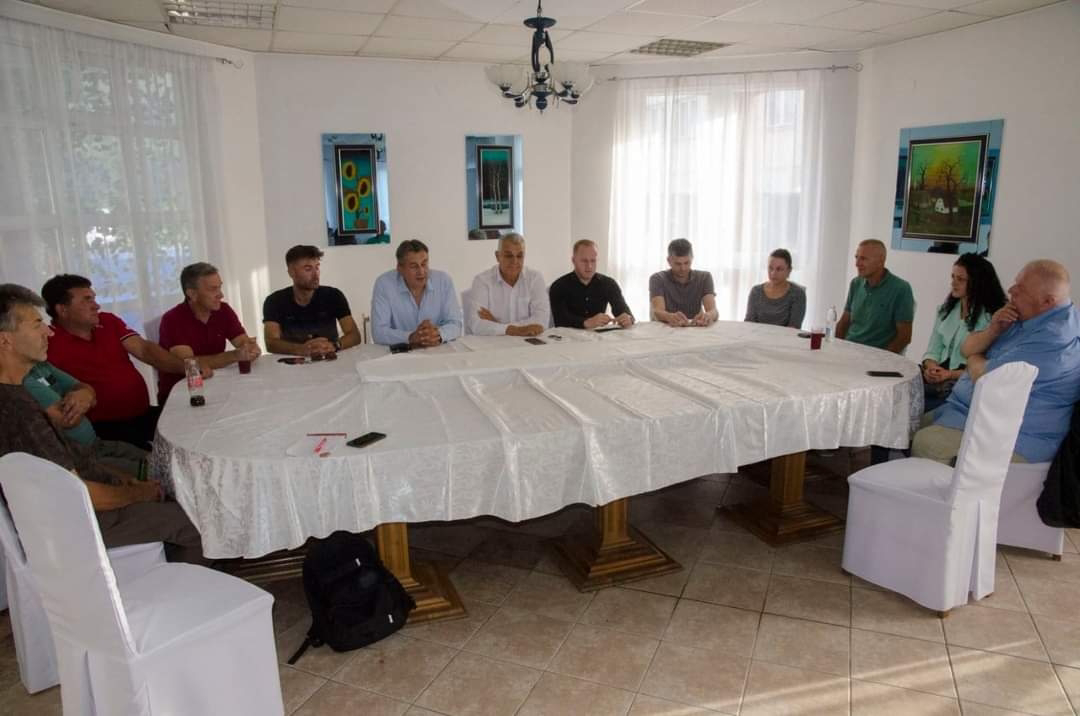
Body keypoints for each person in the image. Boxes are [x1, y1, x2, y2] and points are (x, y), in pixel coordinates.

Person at [0, 284, 205, 564]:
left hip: (84, 500)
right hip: (77, 523)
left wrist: (122, 480)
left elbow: (75, 461)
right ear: (5, 341)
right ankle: (169, 584)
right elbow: (75, 493)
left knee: (173, 489)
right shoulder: (18, 411)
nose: (49, 332)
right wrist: (136, 493)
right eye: (37, 324)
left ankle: (163, 565)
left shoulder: (17, 393)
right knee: (199, 522)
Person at [913, 260, 1080, 465]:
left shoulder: (1054, 338)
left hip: (1010, 437)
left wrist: (974, 357)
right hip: (965, 413)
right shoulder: (1027, 314)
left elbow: (986, 378)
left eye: (1020, 289)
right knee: (905, 425)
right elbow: (967, 348)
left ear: (1047, 301)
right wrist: (993, 330)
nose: (1011, 290)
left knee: (925, 443)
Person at [42, 274, 203, 451]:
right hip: (105, 429)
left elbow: (144, 350)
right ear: (62, 310)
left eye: (94, 298)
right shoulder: (47, 341)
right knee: (166, 456)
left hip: (143, 415)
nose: (96, 305)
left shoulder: (108, 321)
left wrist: (188, 368)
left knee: (197, 428)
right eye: (87, 300)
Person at [23, 360, 148, 477]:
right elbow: (68, 419)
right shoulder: (23, 381)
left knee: (153, 461)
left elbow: (85, 389)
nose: (49, 338)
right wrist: (85, 397)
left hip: (97, 444)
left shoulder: (41, 365)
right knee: (149, 474)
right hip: (81, 459)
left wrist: (86, 395)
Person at [157, 262, 261, 403]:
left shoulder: (223, 310)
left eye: (220, 287)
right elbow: (190, 365)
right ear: (192, 294)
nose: (221, 295)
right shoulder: (173, 319)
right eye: (213, 289)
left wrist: (250, 348)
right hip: (181, 396)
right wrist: (235, 355)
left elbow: (242, 342)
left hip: (214, 386)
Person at [920, 253, 1006, 412]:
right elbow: (933, 350)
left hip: (962, 382)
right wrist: (931, 368)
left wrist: (949, 374)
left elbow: (987, 367)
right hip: (939, 376)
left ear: (977, 283)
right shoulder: (945, 311)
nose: (953, 283)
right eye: (953, 277)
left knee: (917, 407)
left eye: (960, 279)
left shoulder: (992, 319)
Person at [263, 245, 362, 357]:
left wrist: (334, 346)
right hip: (293, 362)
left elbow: (354, 335)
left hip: (330, 359)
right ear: (291, 272)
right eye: (308, 269)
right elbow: (271, 342)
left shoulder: (333, 295)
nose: (316, 275)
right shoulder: (274, 301)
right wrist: (301, 349)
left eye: (317, 267)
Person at [371, 239, 463, 347]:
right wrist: (410, 337)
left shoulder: (443, 281)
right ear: (400, 268)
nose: (421, 271)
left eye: (424, 264)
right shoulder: (384, 284)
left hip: (437, 350)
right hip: (400, 353)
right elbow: (378, 332)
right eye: (414, 266)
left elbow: (455, 324)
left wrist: (437, 334)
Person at [835, 239, 915, 354]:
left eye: (863, 259)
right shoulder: (856, 283)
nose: (857, 263)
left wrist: (882, 359)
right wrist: (836, 349)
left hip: (876, 355)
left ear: (881, 261)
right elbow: (843, 323)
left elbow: (904, 337)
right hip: (849, 350)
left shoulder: (901, 289)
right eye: (856, 257)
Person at [466, 233, 550, 336]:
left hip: (526, 342)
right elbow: (476, 324)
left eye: (519, 256)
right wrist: (518, 330)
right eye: (509, 256)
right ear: (497, 256)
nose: (515, 261)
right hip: (492, 343)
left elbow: (541, 321)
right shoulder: (482, 281)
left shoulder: (535, 278)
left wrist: (498, 325)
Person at [549, 240, 634, 329]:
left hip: (599, 336)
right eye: (584, 261)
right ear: (573, 261)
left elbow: (622, 310)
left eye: (593, 261)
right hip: (567, 337)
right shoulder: (558, 286)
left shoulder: (609, 283)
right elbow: (560, 320)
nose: (589, 266)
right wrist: (586, 322)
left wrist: (628, 318)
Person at [650, 239, 718, 327]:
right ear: (669, 261)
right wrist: (669, 317)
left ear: (692, 258)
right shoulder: (657, 279)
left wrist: (708, 316)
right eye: (678, 264)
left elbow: (713, 311)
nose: (683, 268)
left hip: (696, 329)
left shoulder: (704, 277)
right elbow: (658, 311)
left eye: (687, 263)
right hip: (667, 328)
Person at [744, 249, 806, 328]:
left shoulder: (797, 294)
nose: (773, 273)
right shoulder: (756, 291)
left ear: (789, 271)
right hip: (756, 334)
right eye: (770, 268)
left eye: (779, 269)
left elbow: (793, 328)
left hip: (785, 336)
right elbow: (749, 323)